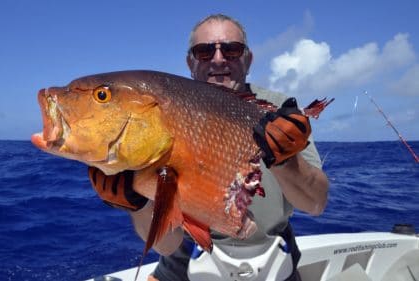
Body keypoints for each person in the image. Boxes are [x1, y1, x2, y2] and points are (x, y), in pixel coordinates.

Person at [89, 14, 329, 281]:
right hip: (186, 265)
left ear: (248, 59)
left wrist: (286, 161)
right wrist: (138, 205)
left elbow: (316, 203)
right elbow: (166, 245)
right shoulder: (160, 116)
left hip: (276, 262)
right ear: (190, 62)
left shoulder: (280, 110)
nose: (218, 59)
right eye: (204, 51)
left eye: (231, 49)